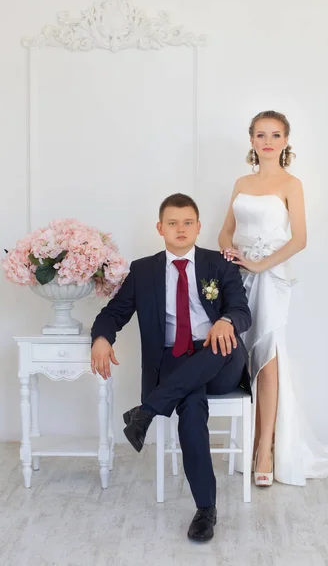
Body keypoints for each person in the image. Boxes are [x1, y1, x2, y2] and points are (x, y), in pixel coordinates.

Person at [218, 110, 328, 487]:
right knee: (245, 357)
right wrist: (231, 255)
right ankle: (255, 441)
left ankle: (265, 450)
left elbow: (300, 239)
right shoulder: (241, 181)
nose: (268, 140)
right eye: (261, 135)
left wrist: (260, 265)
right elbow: (226, 231)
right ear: (252, 141)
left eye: (275, 134)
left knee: (268, 357)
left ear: (286, 141)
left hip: (272, 278)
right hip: (240, 278)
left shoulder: (292, 183)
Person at [91, 193, 251, 541]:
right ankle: (206, 510)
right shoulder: (144, 270)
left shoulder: (219, 265)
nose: (181, 229)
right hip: (176, 362)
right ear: (160, 227)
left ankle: (146, 412)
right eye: (173, 223)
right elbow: (113, 314)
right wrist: (102, 338)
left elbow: (242, 309)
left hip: (219, 354)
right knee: (191, 407)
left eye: (188, 222)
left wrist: (225, 319)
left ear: (198, 227)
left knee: (222, 344)